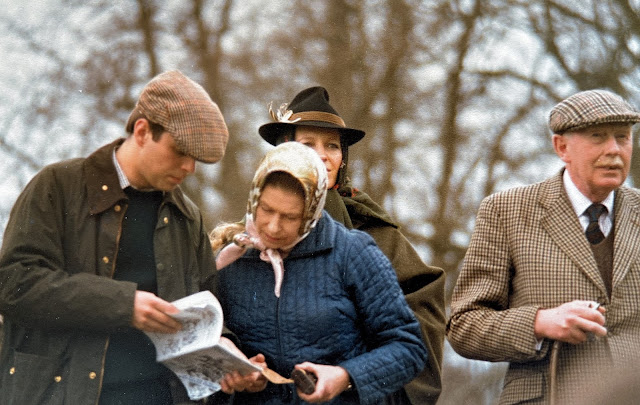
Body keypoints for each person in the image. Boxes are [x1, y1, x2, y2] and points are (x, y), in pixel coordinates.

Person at [0, 70, 239, 404]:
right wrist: (122, 304)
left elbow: (206, 308)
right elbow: (14, 284)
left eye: (196, 159)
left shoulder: (187, 216)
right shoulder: (57, 186)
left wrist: (224, 346)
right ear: (142, 131)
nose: (189, 168)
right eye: (179, 151)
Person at [446, 89, 640, 404]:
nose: (614, 150)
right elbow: (464, 326)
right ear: (561, 146)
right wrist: (539, 323)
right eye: (598, 137)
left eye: (623, 137)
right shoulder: (506, 211)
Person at [257, 86, 446, 405]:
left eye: (332, 145)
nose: (323, 155)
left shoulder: (375, 232)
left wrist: (364, 375)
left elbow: (417, 319)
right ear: (284, 151)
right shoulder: (253, 232)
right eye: (309, 144)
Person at [210, 142, 427, 404]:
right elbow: (207, 335)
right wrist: (237, 370)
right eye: (266, 210)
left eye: (290, 217)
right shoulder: (231, 259)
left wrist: (345, 376)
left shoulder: (352, 253)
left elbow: (408, 348)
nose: (273, 226)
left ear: (312, 212)